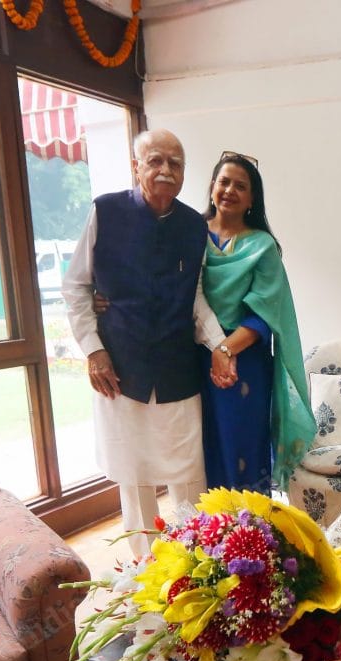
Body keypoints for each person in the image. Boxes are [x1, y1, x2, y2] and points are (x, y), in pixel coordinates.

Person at [61, 129, 232, 558]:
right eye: (155, 160)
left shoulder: (194, 225)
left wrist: (219, 345)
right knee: (133, 475)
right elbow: (76, 286)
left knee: (188, 472)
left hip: (177, 369)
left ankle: (195, 567)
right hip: (121, 369)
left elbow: (195, 299)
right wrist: (94, 350)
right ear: (136, 165)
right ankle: (143, 570)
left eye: (175, 163)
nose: (165, 170)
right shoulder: (106, 212)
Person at [199, 152, 316, 495]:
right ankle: (204, 541)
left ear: (252, 198)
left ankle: (250, 538)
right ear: (211, 188)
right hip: (192, 359)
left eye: (240, 186)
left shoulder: (262, 246)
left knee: (242, 449)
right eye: (224, 182)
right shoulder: (190, 235)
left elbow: (264, 314)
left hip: (243, 362)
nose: (230, 190)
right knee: (201, 452)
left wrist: (225, 350)